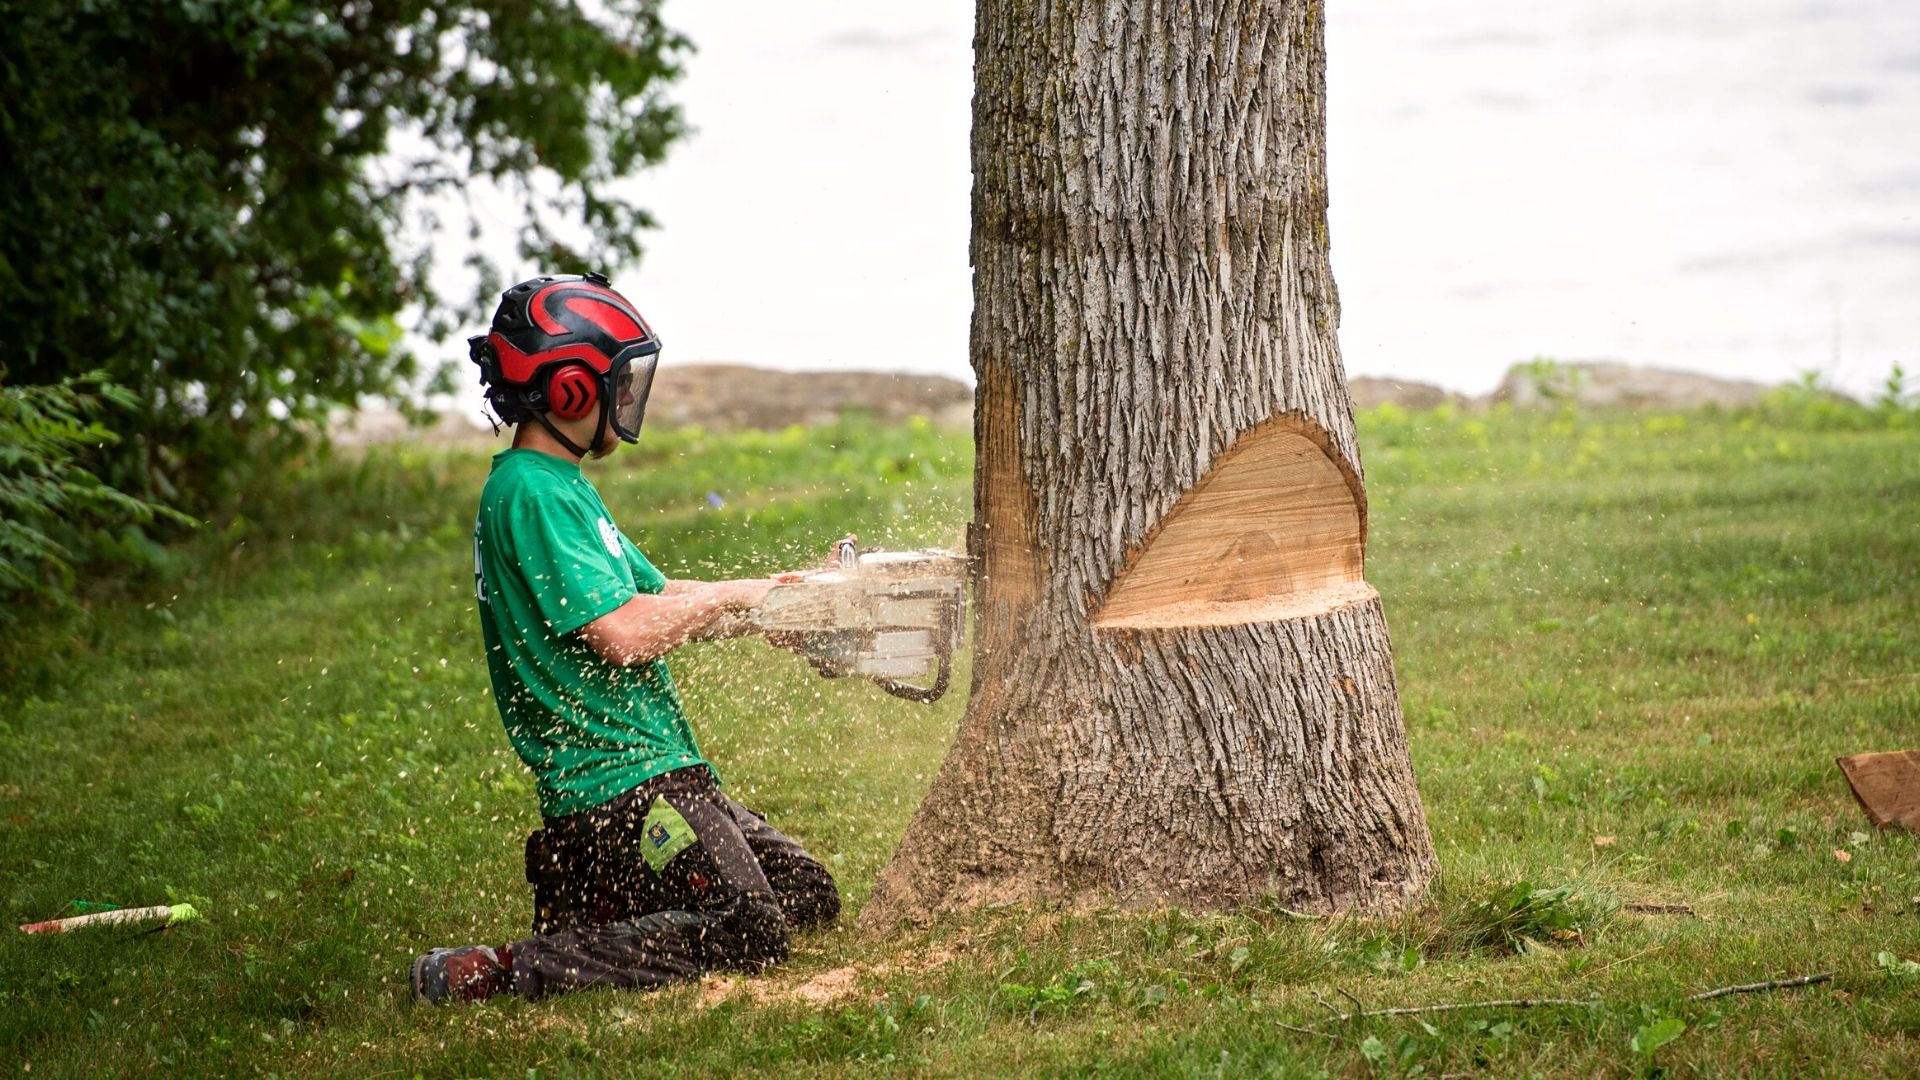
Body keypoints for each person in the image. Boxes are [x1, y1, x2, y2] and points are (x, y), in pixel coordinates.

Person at [409, 272, 841, 1005]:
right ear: (572, 388)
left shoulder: (563, 485)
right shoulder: (529, 494)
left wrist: (784, 599)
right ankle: (507, 967)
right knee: (750, 929)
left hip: (660, 779)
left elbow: (663, 598)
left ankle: (607, 908)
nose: (629, 396)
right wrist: (739, 598)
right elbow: (624, 633)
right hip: (617, 795)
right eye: (620, 379)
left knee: (807, 895)